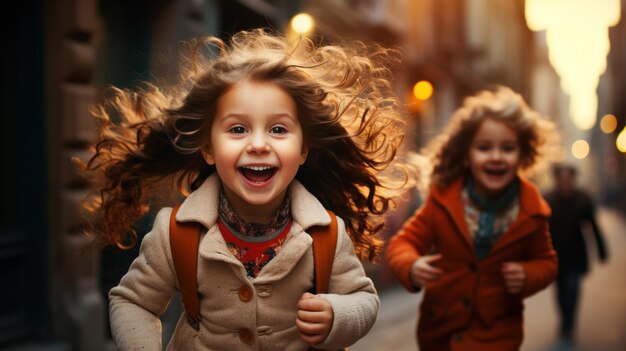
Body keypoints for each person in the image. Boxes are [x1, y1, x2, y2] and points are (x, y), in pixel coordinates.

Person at [77, 29, 406, 350]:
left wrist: (337, 315)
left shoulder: (327, 234)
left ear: (303, 150)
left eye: (278, 129)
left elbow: (364, 300)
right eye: (238, 129)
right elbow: (132, 301)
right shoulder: (176, 232)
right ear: (208, 149)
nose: (259, 144)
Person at [386, 86, 558, 351]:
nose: (496, 157)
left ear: (523, 156)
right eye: (484, 147)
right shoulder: (443, 200)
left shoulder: (532, 212)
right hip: (440, 333)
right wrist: (411, 265)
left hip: (497, 336)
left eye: (508, 148)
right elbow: (402, 244)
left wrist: (528, 274)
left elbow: (547, 262)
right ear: (467, 155)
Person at [544, 163, 608, 341]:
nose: (565, 182)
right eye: (561, 179)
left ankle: (569, 324)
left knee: (573, 289)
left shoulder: (583, 199)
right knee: (560, 290)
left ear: (572, 179)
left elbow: (593, 226)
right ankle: (564, 320)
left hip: (576, 253)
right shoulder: (547, 199)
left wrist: (602, 251)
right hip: (555, 254)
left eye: (568, 179)